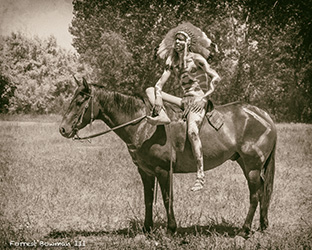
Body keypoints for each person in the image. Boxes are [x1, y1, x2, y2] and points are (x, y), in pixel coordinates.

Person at [146, 22, 221, 191]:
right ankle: (162, 116)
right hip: (183, 100)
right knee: (149, 90)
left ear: (188, 42)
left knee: (192, 130)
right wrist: (158, 96)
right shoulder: (173, 61)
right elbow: (160, 82)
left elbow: (216, 77)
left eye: (181, 40)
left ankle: (200, 175)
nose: (177, 43)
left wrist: (204, 98)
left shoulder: (196, 59)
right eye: (176, 40)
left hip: (197, 100)